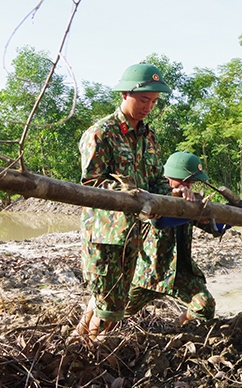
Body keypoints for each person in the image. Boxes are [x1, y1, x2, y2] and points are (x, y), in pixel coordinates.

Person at [76, 64, 195, 338]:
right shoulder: (101, 133)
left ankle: (80, 342)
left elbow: (156, 182)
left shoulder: (148, 137)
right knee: (109, 304)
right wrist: (130, 194)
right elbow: (91, 185)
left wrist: (174, 194)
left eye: (153, 102)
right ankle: (92, 353)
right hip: (106, 234)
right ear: (125, 95)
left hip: (134, 235)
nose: (148, 107)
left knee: (114, 301)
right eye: (144, 100)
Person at [126, 151, 232, 326]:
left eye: (191, 181)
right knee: (115, 311)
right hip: (148, 273)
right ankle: (84, 334)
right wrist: (191, 211)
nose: (189, 185)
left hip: (178, 272)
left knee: (204, 306)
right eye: (184, 180)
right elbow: (160, 223)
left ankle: (177, 328)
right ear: (170, 176)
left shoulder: (189, 201)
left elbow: (215, 228)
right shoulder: (154, 195)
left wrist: (235, 212)